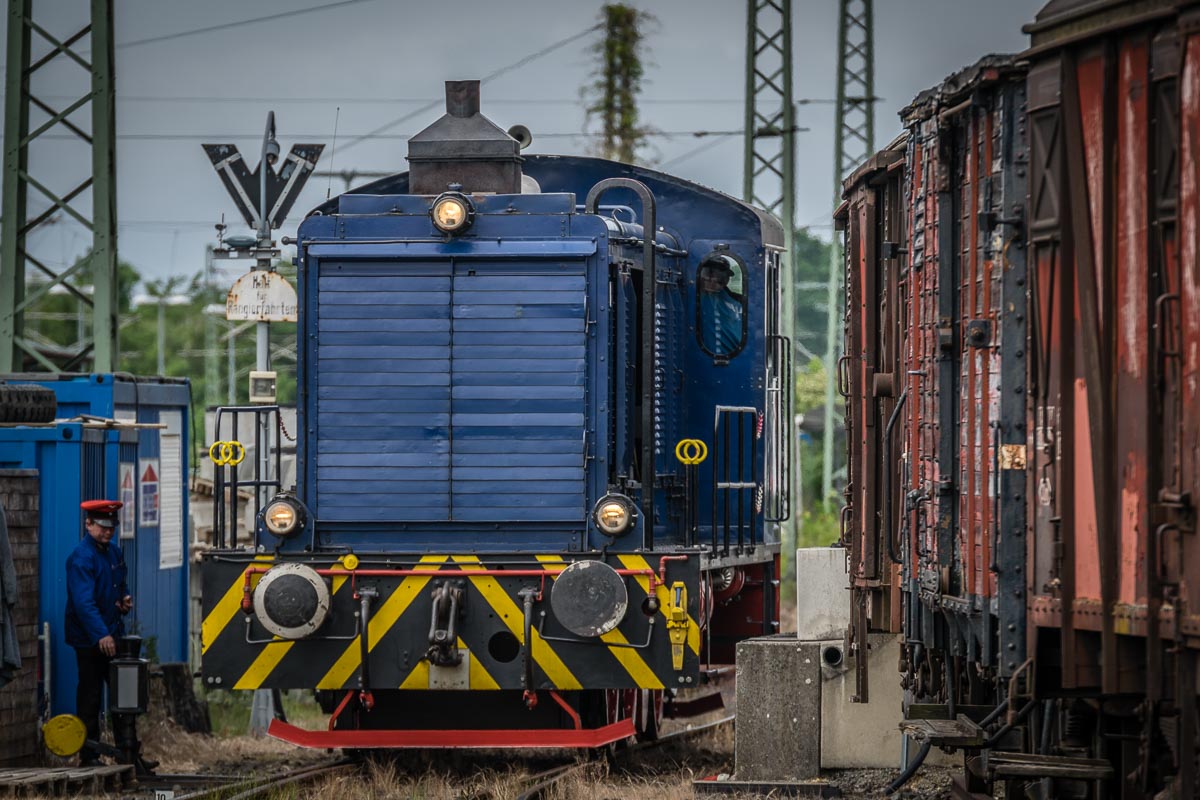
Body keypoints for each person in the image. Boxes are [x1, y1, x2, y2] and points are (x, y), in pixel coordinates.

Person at [66, 499, 132, 766]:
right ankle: (88, 754)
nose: (108, 531)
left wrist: (124, 599)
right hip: (90, 639)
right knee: (91, 696)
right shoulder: (82, 558)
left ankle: (128, 751)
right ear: (88, 524)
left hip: (111, 633)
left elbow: (118, 584)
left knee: (123, 695)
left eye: (112, 526)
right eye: (103, 526)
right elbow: (83, 603)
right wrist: (100, 635)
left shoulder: (113, 552)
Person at [698, 259, 744, 356]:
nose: (713, 281)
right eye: (709, 275)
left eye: (721, 279)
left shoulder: (737, 300)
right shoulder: (698, 296)